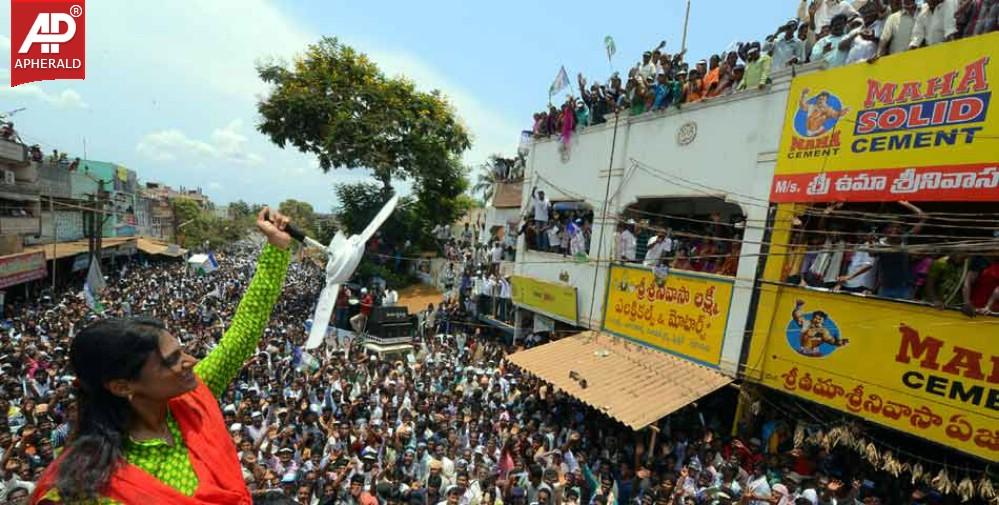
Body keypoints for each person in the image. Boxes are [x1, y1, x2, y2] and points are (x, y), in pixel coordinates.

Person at [30, 208, 293, 504]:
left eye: (181, 351)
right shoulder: (87, 485)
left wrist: (276, 248)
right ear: (122, 386)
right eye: (171, 360)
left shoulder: (193, 398)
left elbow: (245, 330)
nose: (191, 362)